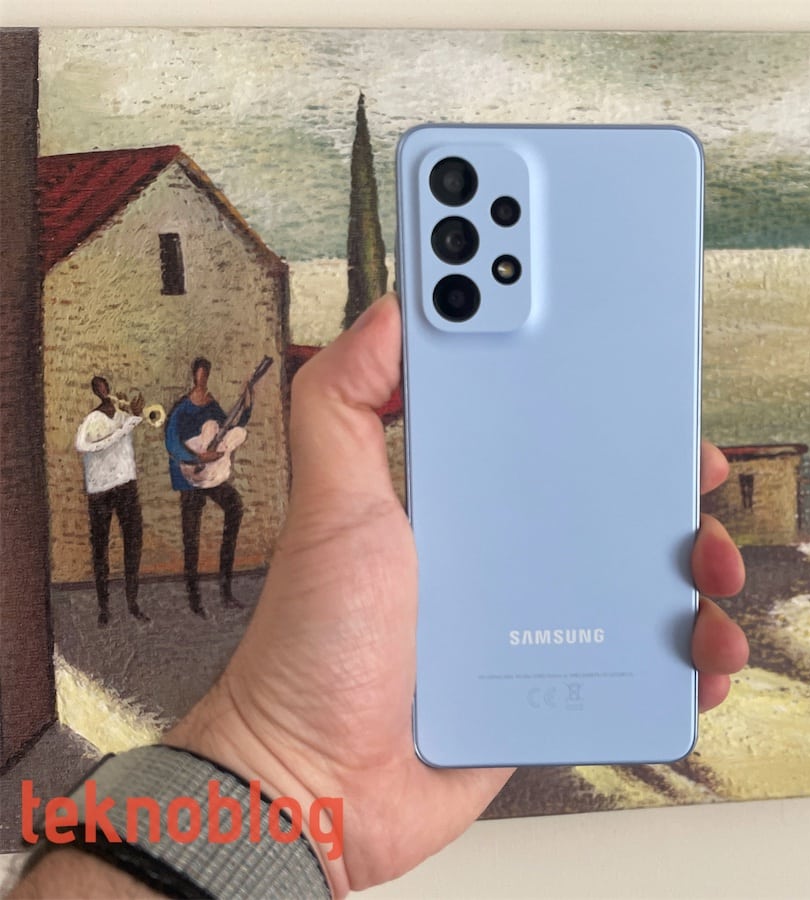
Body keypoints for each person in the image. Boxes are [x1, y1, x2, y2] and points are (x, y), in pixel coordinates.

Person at [13, 295, 749, 898]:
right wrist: (288, 770)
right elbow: (177, 443)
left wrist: (287, 775)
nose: (203, 377)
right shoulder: (169, 412)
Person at [164, 357, 253, 617]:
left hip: (211, 475)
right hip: (189, 475)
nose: (201, 379)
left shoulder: (212, 405)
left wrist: (247, 407)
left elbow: (228, 430)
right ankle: (194, 599)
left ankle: (226, 590)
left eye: (205, 374)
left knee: (234, 507)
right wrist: (197, 458)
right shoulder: (182, 407)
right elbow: (171, 442)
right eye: (199, 374)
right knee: (191, 535)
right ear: (194, 375)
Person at [74, 376, 149, 626]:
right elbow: (82, 445)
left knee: (133, 543)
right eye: (100, 388)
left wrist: (134, 416)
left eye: (106, 387)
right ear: (96, 392)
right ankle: (103, 608)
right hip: (100, 490)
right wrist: (124, 428)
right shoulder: (92, 420)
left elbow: (128, 434)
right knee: (100, 549)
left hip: (126, 485)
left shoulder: (124, 416)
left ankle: (133, 603)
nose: (104, 391)